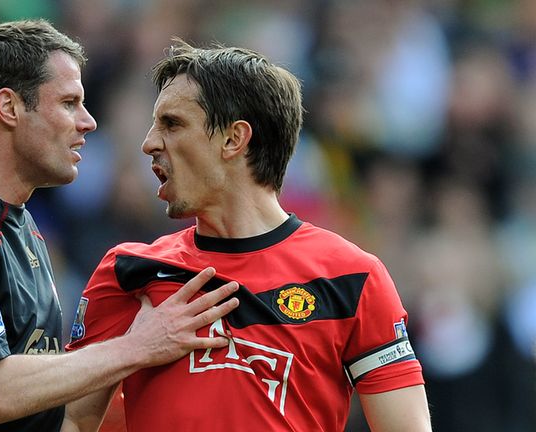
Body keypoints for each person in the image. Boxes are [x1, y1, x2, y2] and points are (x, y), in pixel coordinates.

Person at [0, 20, 240, 431]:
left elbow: (62, 423)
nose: (88, 122)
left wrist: (136, 332)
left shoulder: (26, 232)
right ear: (9, 108)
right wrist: (137, 345)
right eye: (68, 103)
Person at [63, 40, 432, 432]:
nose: (149, 143)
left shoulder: (352, 277)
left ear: (233, 139)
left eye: (172, 124)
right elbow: (75, 421)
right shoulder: (128, 271)